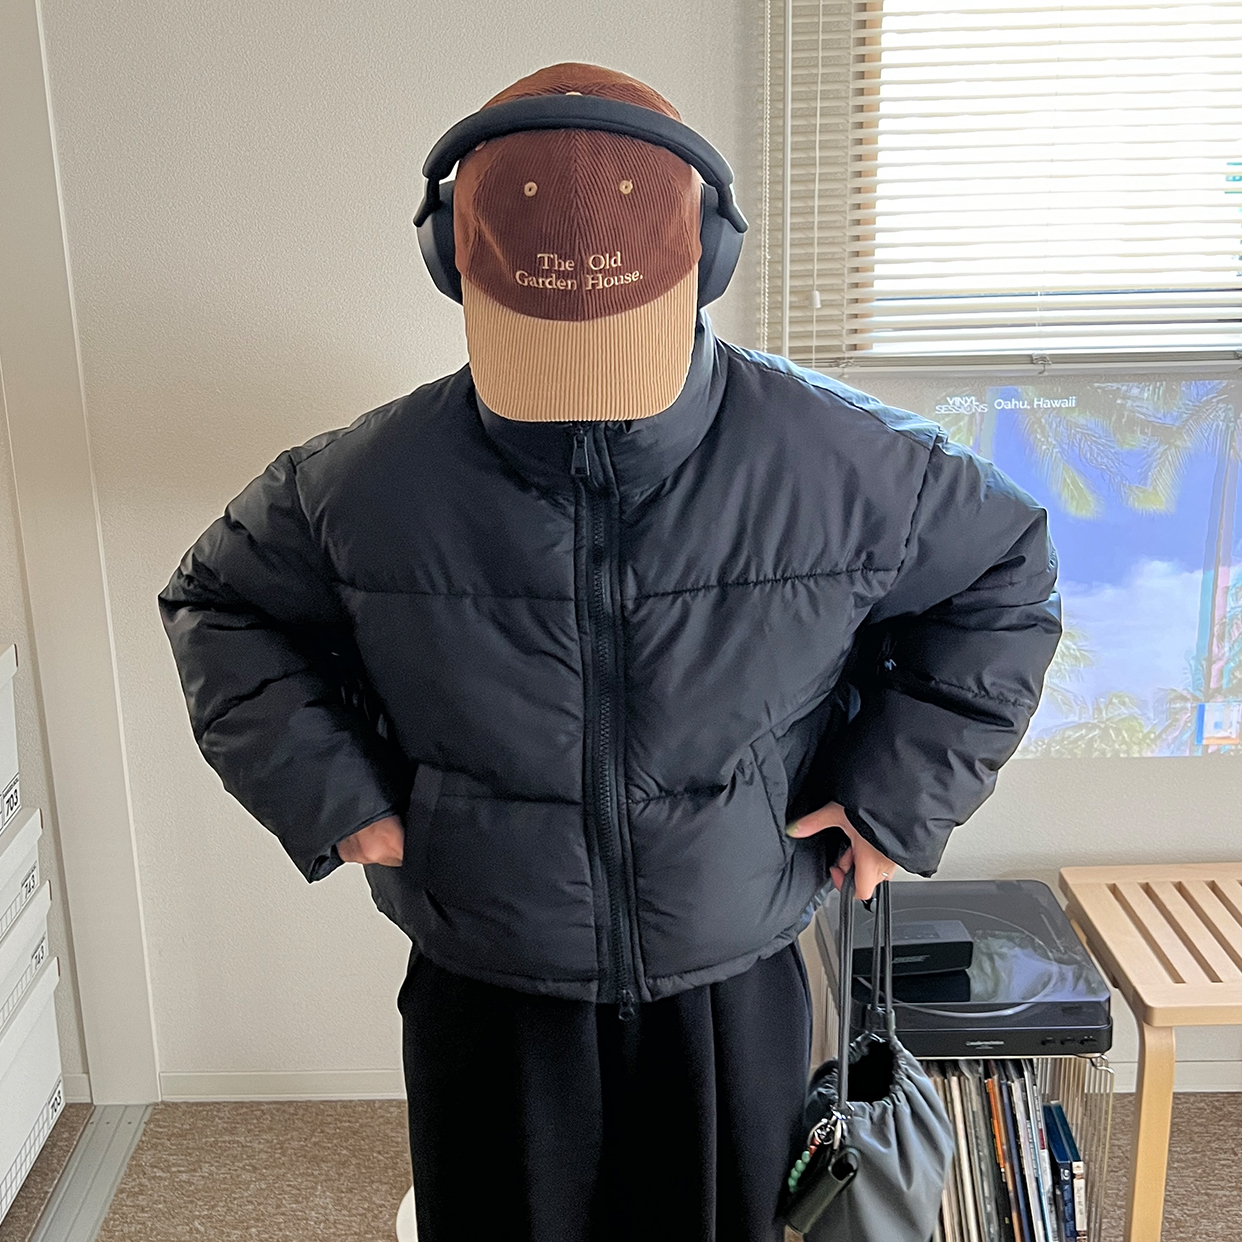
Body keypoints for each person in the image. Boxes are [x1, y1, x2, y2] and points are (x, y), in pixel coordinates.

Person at [158, 62, 1060, 1242]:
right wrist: (337, 800)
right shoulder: (364, 484)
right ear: (452, 264)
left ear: (709, 262)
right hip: (489, 974)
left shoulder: (850, 467)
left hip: (731, 969)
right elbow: (219, 605)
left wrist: (894, 799)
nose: (580, 384)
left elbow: (1004, 579)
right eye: (544, 342)